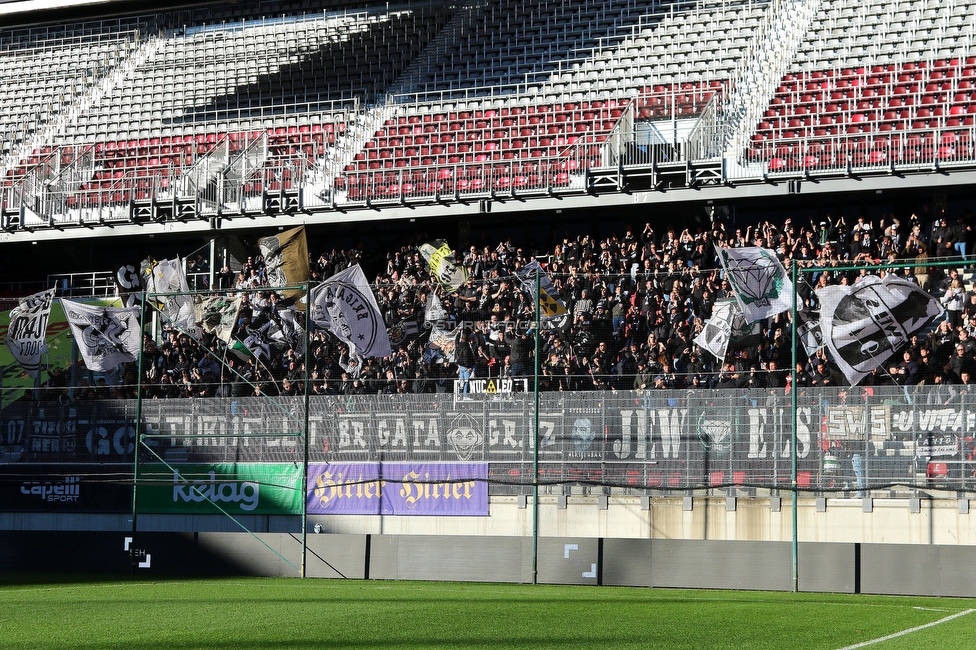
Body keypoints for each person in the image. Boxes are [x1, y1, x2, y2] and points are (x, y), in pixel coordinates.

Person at [455, 327, 476, 397]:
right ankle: (465, 396)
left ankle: (459, 395)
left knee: (461, 382)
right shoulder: (466, 348)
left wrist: (458, 333)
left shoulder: (458, 346)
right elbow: (466, 359)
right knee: (466, 382)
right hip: (466, 367)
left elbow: (456, 341)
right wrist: (469, 367)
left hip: (460, 366)